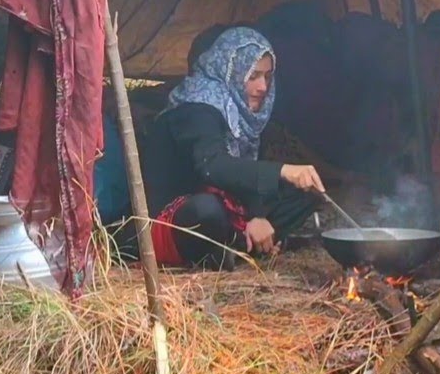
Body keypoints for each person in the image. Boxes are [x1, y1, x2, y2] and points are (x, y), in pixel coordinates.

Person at [135, 27, 326, 268]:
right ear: (231, 71)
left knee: (303, 192)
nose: (263, 87)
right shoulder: (197, 107)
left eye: (267, 76)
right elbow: (213, 167)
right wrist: (282, 170)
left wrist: (257, 216)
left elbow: (244, 171)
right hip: (173, 219)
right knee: (206, 210)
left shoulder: (244, 113)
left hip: (226, 205)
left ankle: (243, 242)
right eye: (253, 76)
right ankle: (236, 244)